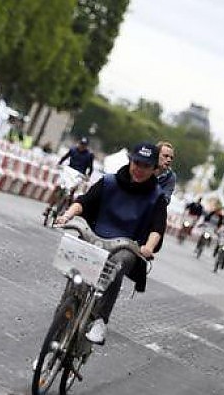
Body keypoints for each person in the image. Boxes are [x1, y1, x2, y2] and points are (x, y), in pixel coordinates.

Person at [55, 142, 167, 345]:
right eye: (137, 163)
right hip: (94, 238)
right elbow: (83, 202)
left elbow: (156, 229)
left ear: (154, 169)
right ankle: (57, 333)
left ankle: (100, 319)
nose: (139, 169)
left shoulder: (156, 197)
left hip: (125, 247)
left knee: (119, 262)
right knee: (74, 284)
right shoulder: (108, 182)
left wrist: (148, 247)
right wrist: (67, 215)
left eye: (146, 166)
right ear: (131, 161)